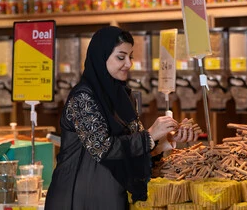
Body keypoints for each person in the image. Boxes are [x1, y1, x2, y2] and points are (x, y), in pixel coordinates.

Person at [45, 26, 199, 210]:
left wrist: (164, 141)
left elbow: (133, 146)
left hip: (111, 196)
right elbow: (103, 149)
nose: (129, 63)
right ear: (101, 57)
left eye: (130, 56)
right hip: (78, 198)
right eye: (121, 57)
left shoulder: (122, 97)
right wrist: (150, 135)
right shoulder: (83, 98)